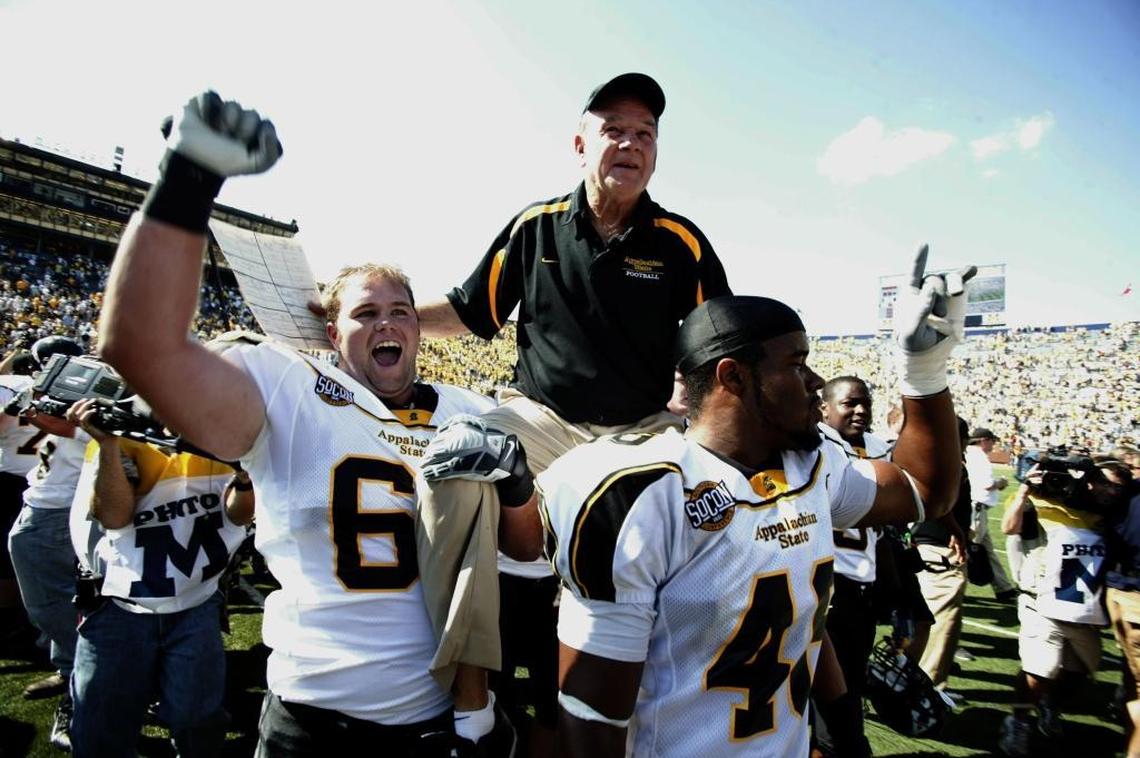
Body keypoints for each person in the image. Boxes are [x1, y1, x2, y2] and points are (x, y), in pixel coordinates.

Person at [97, 92, 498, 756]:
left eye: (401, 310)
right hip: (312, 718)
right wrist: (190, 177)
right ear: (328, 329)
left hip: (432, 719)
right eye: (366, 313)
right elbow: (140, 344)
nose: (389, 323)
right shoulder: (291, 387)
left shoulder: (465, 410)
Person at [540, 245, 971, 757]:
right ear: (733, 377)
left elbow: (928, 492)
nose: (815, 383)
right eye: (797, 363)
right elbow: (593, 716)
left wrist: (923, 371)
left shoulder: (813, 466)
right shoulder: (643, 492)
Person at [414, 72, 731, 749]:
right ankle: (468, 699)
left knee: (705, 506)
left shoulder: (681, 241)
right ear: (581, 143)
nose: (631, 143)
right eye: (615, 128)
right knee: (456, 464)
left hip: (638, 432)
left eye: (645, 133)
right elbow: (473, 313)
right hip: (542, 420)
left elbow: (721, 340)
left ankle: (677, 699)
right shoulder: (535, 227)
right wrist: (386, 321)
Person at [64, 397, 253, 758]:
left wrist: (245, 477)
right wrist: (107, 444)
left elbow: (239, 516)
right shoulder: (123, 432)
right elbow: (114, 517)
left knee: (197, 717)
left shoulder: (224, 434)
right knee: (104, 724)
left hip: (196, 598)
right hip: (120, 600)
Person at [997, 456, 1127, 756]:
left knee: (1080, 672)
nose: (1109, 491)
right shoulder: (1046, 504)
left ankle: (1049, 705)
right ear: (1089, 479)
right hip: (1041, 600)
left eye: (1116, 487)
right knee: (1038, 670)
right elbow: (1009, 527)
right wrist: (1024, 492)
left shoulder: (1108, 517)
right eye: (1103, 482)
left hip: (1084, 610)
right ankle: (1017, 721)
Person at [7, 335, 89, 750]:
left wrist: (30, 404)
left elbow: (65, 425)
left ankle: (86, 676)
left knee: (50, 604)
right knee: (69, 601)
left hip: (58, 512)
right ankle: (71, 667)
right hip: (61, 508)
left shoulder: (81, 403)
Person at [814, 375, 891, 752]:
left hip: (864, 584)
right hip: (828, 587)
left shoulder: (878, 446)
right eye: (850, 403)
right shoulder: (814, 445)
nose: (861, 411)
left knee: (850, 687)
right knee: (833, 709)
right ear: (824, 408)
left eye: (865, 403)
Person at [911, 417, 971, 699]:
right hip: (939, 551)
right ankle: (927, 689)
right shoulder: (946, 466)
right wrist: (956, 531)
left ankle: (920, 684)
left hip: (934, 547)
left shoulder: (941, 463)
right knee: (940, 625)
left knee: (933, 623)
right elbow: (937, 503)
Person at [964, 427, 1016, 599]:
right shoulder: (979, 457)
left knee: (986, 550)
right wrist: (1001, 482)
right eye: (992, 440)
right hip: (977, 509)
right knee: (970, 551)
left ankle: (1003, 588)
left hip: (975, 508)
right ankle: (957, 587)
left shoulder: (969, 454)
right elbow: (987, 484)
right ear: (983, 440)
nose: (994, 444)